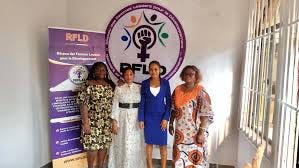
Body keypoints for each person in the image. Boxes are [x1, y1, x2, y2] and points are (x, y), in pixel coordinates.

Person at [169, 65, 214, 168]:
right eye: (186, 74)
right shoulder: (177, 90)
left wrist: (201, 133)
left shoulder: (201, 92)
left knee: (195, 160)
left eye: (191, 74)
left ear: (196, 76)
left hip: (196, 132)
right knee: (178, 158)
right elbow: (173, 109)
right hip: (180, 133)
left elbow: (206, 114)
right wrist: (171, 123)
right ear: (182, 76)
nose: (188, 76)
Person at [77, 62, 115, 168]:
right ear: (94, 71)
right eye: (98, 69)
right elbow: (82, 103)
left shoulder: (110, 85)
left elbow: (115, 102)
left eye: (103, 70)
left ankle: (101, 166)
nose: (101, 72)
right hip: (92, 121)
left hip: (106, 121)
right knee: (92, 146)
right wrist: (86, 123)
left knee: (104, 145)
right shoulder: (87, 84)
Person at [108, 67, 147, 168]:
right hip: (122, 117)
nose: (128, 76)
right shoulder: (119, 88)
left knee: (135, 143)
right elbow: (115, 104)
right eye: (126, 74)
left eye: (131, 74)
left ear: (134, 75)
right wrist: (114, 122)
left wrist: (142, 119)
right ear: (123, 76)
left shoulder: (139, 88)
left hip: (136, 118)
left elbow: (143, 105)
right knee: (123, 142)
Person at [138, 60, 171, 168]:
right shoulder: (145, 83)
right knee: (149, 143)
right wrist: (141, 119)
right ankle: (150, 166)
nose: (153, 71)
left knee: (163, 145)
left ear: (160, 70)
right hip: (148, 118)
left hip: (161, 118)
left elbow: (169, 102)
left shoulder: (165, 83)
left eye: (156, 69)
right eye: (151, 69)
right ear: (149, 70)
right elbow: (142, 102)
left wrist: (166, 118)